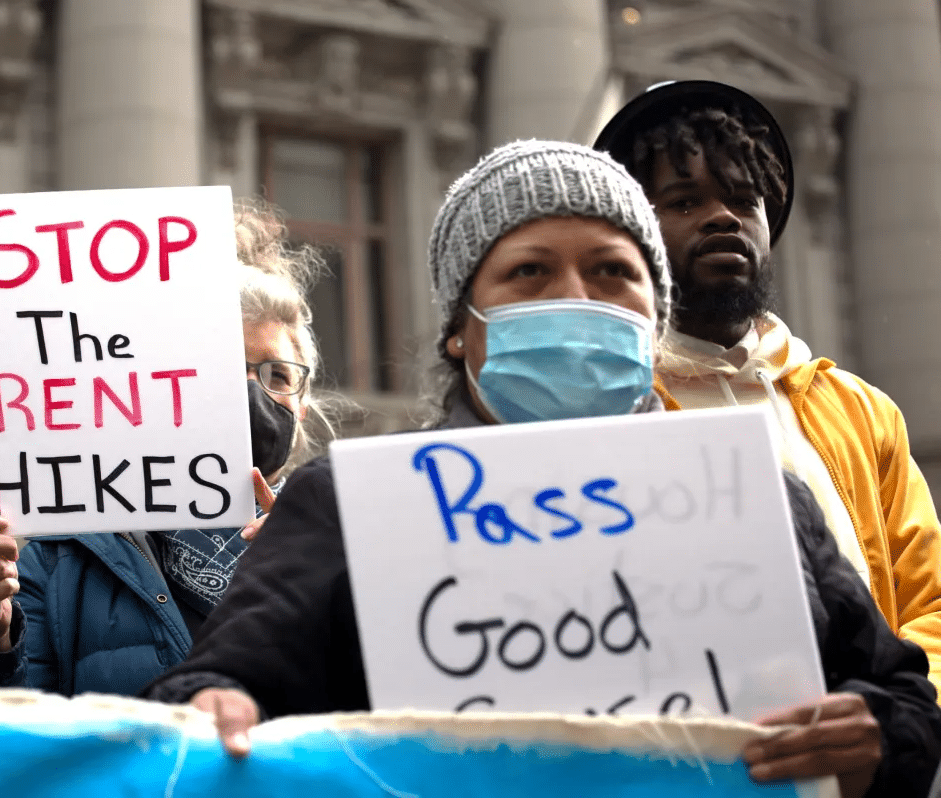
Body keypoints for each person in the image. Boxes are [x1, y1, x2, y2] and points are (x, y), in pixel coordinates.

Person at [144, 141, 941, 797]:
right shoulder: (351, 501)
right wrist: (213, 710)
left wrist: (876, 731)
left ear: (652, 318)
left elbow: (902, 699)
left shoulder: (761, 494)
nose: (575, 298)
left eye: (611, 272)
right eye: (529, 272)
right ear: (462, 326)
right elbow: (209, 685)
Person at [593, 80, 941, 696]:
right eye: (683, 202)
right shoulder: (600, 411)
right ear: (632, 233)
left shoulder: (863, 413)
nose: (723, 217)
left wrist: (895, 722)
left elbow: (930, 604)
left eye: (744, 199)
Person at [0, 200, 330, 697]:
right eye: (221, 370)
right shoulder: (58, 567)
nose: (251, 392)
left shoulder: (342, 543)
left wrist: (321, 581)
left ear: (304, 402)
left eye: (275, 374)